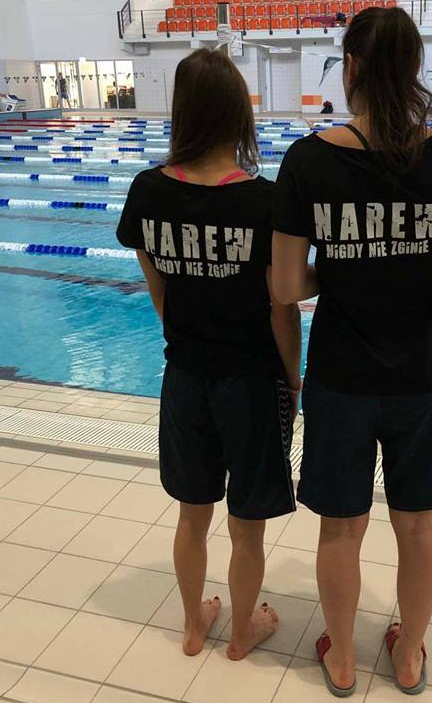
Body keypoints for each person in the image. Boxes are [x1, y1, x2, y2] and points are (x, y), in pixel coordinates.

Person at [272, 7, 432, 697]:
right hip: (422, 379)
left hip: (340, 377)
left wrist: (343, 263)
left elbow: (285, 286)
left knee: (341, 529)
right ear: (414, 70)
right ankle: (408, 658)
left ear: (349, 67)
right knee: (417, 527)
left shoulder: (309, 161)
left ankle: (343, 659)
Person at [116, 49, 299, 661]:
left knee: (191, 516)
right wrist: (294, 378)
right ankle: (242, 633)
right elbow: (282, 308)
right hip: (252, 383)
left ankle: (194, 626)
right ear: (237, 114)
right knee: (247, 527)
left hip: (185, 377)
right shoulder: (263, 201)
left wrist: (193, 338)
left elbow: (159, 292)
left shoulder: (147, 191)